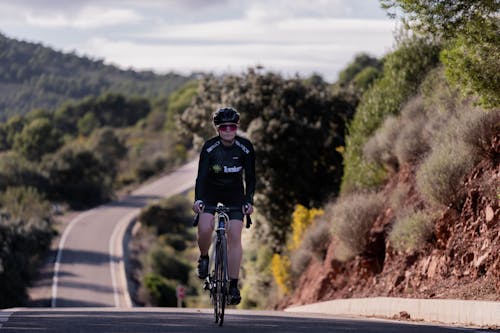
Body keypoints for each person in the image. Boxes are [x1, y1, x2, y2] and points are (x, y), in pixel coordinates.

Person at [192, 107, 255, 305]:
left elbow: (251, 178)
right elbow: (201, 177)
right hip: (210, 192)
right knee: (204, 227)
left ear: (236, 127)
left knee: (235, 235)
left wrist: (249, 201)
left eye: (232, 126)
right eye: (224, 127)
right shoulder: (210, 148)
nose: (228, 130)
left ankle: (233, 286)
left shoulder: (245, 147)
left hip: (235, 194)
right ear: (218, 129)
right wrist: (198, 199)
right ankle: (203, 257)